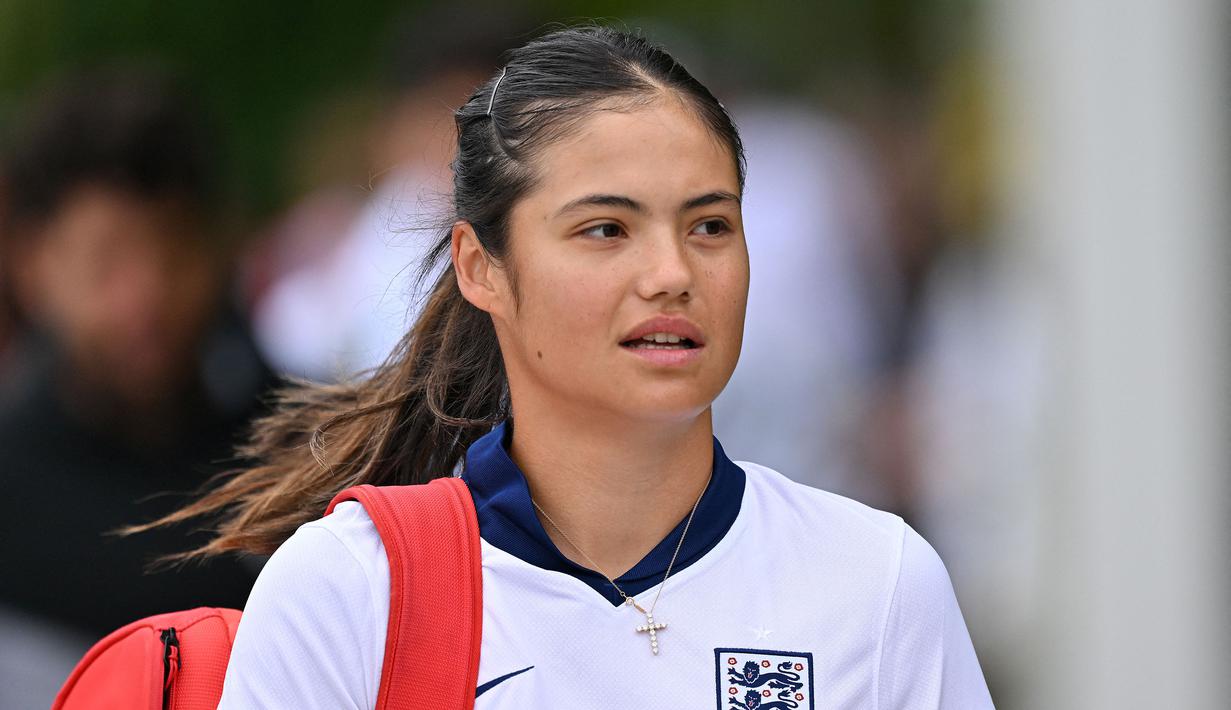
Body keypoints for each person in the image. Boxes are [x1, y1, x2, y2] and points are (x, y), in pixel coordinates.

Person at [160, 26, 993, 708]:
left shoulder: (878, 582)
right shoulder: (349, 589)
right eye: (605, 229)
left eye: (709, 226)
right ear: (481, 266)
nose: (672, 272)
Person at [0, 68, 271, 640]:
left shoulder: (301, 456)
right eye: (106, 261)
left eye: (173, 253)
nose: (145, 296)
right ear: (31, 264)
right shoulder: (13, 484)